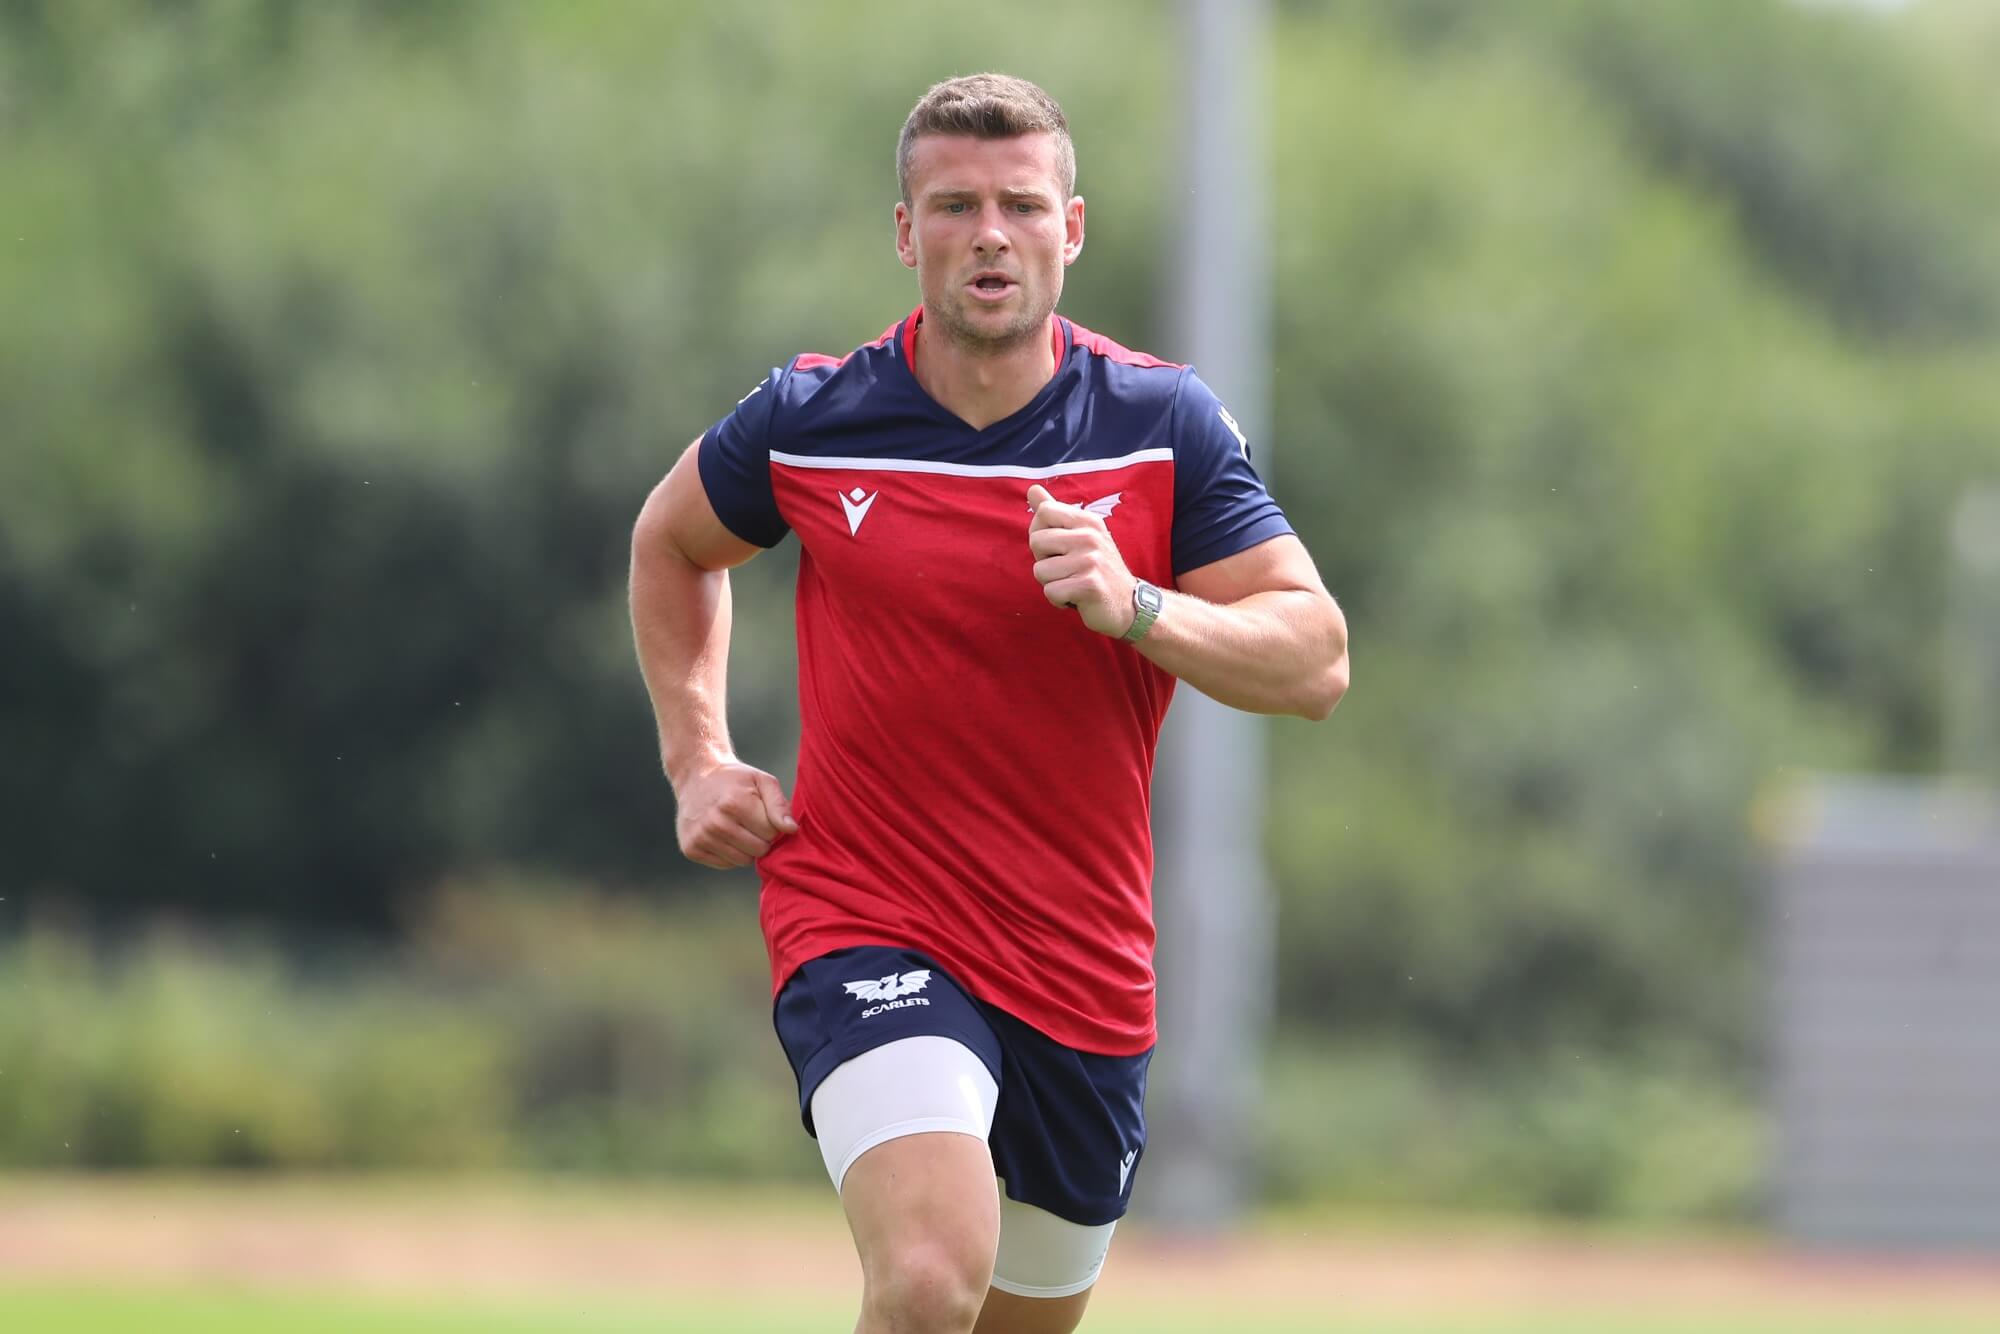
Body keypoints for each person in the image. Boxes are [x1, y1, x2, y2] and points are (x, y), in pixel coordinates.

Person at [629, 72, 1348, 1334]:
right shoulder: (813, 419)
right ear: (905, 233)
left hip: (1082, 965)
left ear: (1072, 228)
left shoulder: (1157, 423)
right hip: (867, 916)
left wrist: (1137, 605)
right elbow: (671, 542)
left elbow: (1313, 658)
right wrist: (697, 757)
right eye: (953, 206)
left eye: (1021, 205)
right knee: (922, 1277)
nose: (989, 235)